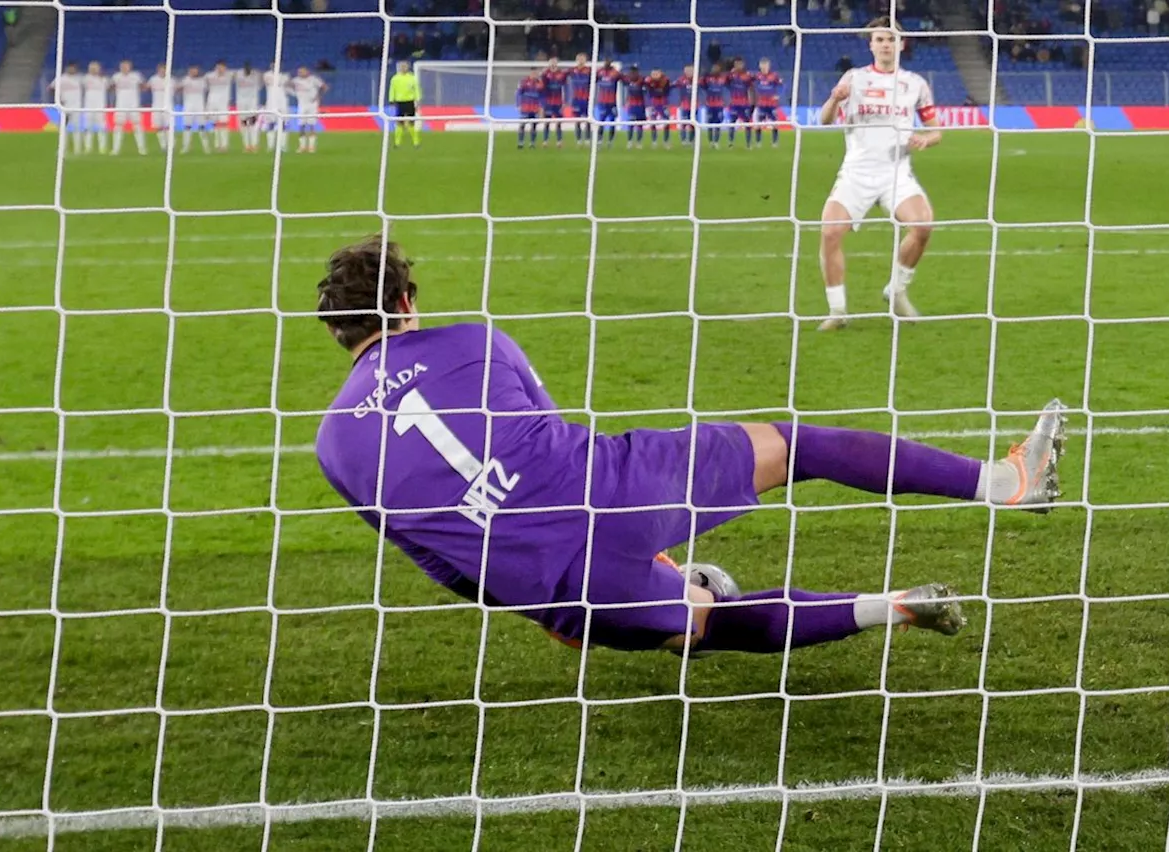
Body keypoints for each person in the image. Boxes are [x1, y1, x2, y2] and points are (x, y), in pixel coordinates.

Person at [314, 235, 1069, 656]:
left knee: (697, 624)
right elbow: (553, 430)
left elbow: (442, 563)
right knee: (793, 446)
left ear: (337, 331)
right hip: (608, 485)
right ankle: (1002, 482)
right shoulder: (474, 339)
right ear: (407, 302)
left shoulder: (334, 449)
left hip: (544, 578)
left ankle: (891, 607)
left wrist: (547, 611)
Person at [817, 16, 940, 331]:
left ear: (902, 44)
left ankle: (896, 291)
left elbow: (935, 129)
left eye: (891, 39)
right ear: (871, 44)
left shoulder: (915, 83)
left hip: (896, 171)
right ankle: (837, 311)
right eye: (880, 39)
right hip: (857, 172)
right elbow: (824, 120)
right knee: (830, 232)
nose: (886, 44)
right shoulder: (855, 78)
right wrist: (834, 99)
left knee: (923, 225)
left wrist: (925, 139)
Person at [109, 60, 147, 155]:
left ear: (130, 67)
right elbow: (110, 87)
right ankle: (115, 149)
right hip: (120, 104)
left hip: (134, 104)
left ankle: (142, 149)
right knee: (118, 126)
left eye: (126, 66)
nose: (125, 68)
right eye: (123, 66)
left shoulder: (136, 76)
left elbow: (144, 86)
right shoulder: (116, 76)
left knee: (137, 125)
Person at [48, 62, 83, 156]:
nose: (72, 70)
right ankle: (62, 149)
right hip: (65, 107)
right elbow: (51, 88)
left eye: (73, 68)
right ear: (67, 68)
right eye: (70, 68)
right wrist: (58, 100)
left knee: (77, 128)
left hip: (77, 107)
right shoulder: (61, 79)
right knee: (63, 129)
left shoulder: (79, 78)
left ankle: (77, 149)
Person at [291, 65, 328, 153]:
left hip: (312, 105)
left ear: (307, 72)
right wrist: (294, 93)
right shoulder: (295, 81)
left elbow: (325, 87)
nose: (300, 73)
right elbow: (288, 85)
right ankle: (302, 146)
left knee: (312, 125)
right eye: (299, 72)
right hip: (302, 105)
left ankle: (311, 147)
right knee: (301, 125)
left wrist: (318, 96)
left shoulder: (314, 79)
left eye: (302, 71)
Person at [388, 60, 422, 149]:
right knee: (399, 123)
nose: (403, 68)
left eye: (405, 66)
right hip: (400, 102)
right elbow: (392, 89)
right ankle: (397, 143)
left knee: (411, 123)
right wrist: (391, 100)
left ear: (407, 67)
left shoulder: (412, 78)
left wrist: (417, 99)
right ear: (399, 68)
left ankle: (416, 142)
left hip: (410, 101)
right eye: (402, 66)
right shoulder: (395, 78)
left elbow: (416, 89)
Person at [752, 57, 783, 148]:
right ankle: (758, 142)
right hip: (761, 104)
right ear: (760, 66)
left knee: (775, 124)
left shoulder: (774, 76)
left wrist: (778, 95)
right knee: (758, 124)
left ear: (769, 66)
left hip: (772, 104)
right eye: (763, 65)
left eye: (766, 65)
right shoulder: (757, 76)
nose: (764, 67)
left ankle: (775, 142)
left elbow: (782, 86)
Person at [178, 66, 210, 153]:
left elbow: (208, 90)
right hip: (188, 106)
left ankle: (206, 147)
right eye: (192, 70)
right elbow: (178, 88)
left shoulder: (202, 81)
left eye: (195, 70)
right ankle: (185, 147)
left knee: (202, 127)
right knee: (187, 126)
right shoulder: (185, 80)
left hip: (200, 106)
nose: (193, 72)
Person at [80, 61, 109, 155]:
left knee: (102, 127)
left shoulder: (104, 79)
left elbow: (111, 87)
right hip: (88, 106)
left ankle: (102, 148)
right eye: (92, 68)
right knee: (88, 128)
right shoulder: (85, 79)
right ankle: (87, 148)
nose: (94, 70)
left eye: (96, 68)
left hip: (100, 106)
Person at [204, 60, 234, 151]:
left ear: (225, 68)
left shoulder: (230, 75)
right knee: (215, 124)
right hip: (212, 101)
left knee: (224, 123)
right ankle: (217, 144)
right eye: (218, 67)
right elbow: (203, 86)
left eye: (222, 67)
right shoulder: (209, 76)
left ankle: (224, 145)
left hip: (224, 102)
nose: (220, 69)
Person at [724, 56, 754, 148]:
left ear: (743, 64)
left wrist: (751, 102)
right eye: (737, 64)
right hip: (734, 103)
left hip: (744, 103)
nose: (738, 66)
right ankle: (730, 142)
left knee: (747, 123)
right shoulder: (730, 76)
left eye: (740, 64)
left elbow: (751, 88)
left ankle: (748, 144)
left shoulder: (747, 76)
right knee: (732, 122)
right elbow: (725, 83)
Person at [234, 62, 262, 153]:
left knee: (253, 124)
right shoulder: (238, 74)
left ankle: (254, 145)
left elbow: (261, 83)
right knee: (244, 124)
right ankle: (246, 145)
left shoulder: (256, 75)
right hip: (241, 103)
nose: (247, 70)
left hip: (253, 102)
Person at [565, 53, 592, 146]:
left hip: (586, 99)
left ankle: (588, 139)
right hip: (576, 99)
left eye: (582, 59)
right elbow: (561, 76)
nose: (581, 61)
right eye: (579, 59)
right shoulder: (572, 70)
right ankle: (579, 139)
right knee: (577, 120)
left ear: (585, 61)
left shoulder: (589, 71)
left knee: (588, 120)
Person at [262, 65, 291, 152]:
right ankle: (270, 146)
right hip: (271, 102)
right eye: (272, 65)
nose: (274, 66)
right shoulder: (267, 75)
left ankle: (283, 146)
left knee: (283, 124)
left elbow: (288, 86)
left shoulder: (285, 76)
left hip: (283, 102)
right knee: (270, 123)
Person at [698, 62, 727, 148]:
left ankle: (716, 141)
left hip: (719, 104)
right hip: (710, 104)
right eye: (714, 68)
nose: (715, 70)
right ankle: (711, 142)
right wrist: (703, 76)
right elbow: (701, 84)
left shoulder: (723, 78)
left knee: (718, 123)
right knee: (710, 123)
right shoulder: (708, 79)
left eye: (717, 68)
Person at [593, 58, 620, 147]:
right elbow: (593, 81)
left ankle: (610, 141)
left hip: (612, 102)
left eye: (608, 61)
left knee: (612, 122)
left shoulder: (615, 73)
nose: (607, 63)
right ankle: (600, 140)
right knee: (601, 122)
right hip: (602, 102)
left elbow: (624, 79)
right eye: (605, 61)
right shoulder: (599, 72)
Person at [539, 57, 566, 147]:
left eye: (555, 63)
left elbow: (565, 87)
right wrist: (542, 104)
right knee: (547, 122)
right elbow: (542, 88)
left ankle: (559, 141)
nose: (553, 65)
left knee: (558, 123)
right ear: (549, 64)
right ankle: (545, 141)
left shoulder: (561, 74)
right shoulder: (545, 74)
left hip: (558, 102)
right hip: (548, 102)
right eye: (551, 63)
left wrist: (564, 102)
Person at [147, 63, 173, 151]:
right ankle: (163, 145)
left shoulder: (172, 80)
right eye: (161, 69)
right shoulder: (153, 79)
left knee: (168, 126)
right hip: (156, 105)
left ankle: (170, 144)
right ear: (158, 70)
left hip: (168, 105)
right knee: (158, 127)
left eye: (164, 69)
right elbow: (146, 87)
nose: (163, 71)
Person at [644, 67, 671, 148]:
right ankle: (654, 141)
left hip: (663, 103)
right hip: (653, 104)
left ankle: (666, 141)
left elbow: (665, 91)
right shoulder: (649, 81)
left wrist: (658, 91)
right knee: (653, 122)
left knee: (666, 122)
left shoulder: (665, 80)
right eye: (653, 74)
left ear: (661, 73)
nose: (655, 76)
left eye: (657, 73)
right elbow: (651, 92)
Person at [515, 69, 543, 149]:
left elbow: (542, 96)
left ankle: (532, 143)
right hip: (525, 107)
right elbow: (518, 93)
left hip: (535, 108)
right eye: (533, 73)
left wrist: (541, 107)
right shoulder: (524, 82)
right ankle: (521, 142)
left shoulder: (540, 83)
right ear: (530, 74)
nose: (535, 75)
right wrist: (518, 104)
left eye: (536, 73)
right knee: (522, 125)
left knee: (534, 125)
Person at [621, 65, 647, 148]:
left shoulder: (642, 80)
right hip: (631, 105)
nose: (632, 73)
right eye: (631, 71)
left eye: (634, 71)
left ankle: (639, 142)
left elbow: (646, 90)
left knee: (640, 124)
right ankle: (630, 141)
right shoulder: (628, 80)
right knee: (631, 123)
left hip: (640, 105)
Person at [674, 63, 694, 146]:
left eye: (691, 70)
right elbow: (672, 85)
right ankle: (683, 140)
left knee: (693, 124)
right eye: (687, 70)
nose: (689, 72)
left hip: (694, 105)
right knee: (684, 123)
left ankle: (692, 140)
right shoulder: (681, 80)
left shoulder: (697, 80)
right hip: (684, 105)